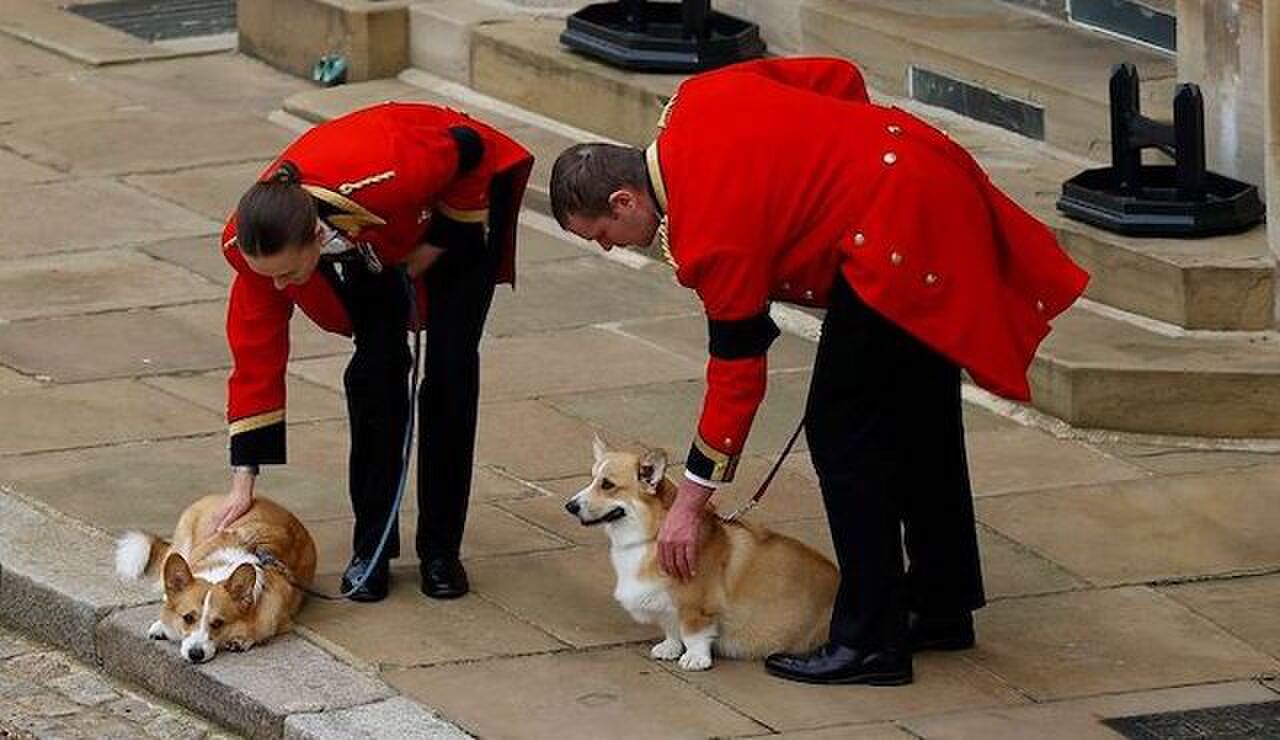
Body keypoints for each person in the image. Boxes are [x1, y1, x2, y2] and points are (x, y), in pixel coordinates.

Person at [549, 57, 1088, 685]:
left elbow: (737, 377)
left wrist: (690, 503)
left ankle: (871, 640)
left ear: (624, 198)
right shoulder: (695, 100)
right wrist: (842, 163)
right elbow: (835, 77)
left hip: (893, 237)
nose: (613, 247)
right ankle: (941, 603)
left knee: (843, 433)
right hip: (920, 174)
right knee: (920, 415)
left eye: (606, 234)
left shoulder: (709, 233)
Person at [216, 102, 533, 602]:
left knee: (450, 374)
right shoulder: (253, 248)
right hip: (376, 244)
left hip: (457, 210)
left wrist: (435, 245)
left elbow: (469, 152)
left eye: (285, 273)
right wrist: (243, 480)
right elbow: (255, 358)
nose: (276, 285)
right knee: (375, 374)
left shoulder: (389, 169)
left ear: (315, 238)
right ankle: (373, 548)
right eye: (267, 274)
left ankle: (441, 551)